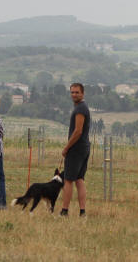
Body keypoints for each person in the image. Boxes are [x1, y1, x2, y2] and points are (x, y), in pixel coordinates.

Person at [60, 83, 90, 217]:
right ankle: (82, 212)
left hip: (76, 148)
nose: (74, 95)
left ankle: (64, 211)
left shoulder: (80, 109)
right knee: (79, 179)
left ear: (82, 93)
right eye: (72, 92)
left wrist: (67, 147)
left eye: (77, 92)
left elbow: (78, 131)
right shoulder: (82, 107)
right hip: (84, 147)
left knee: (68, 180)